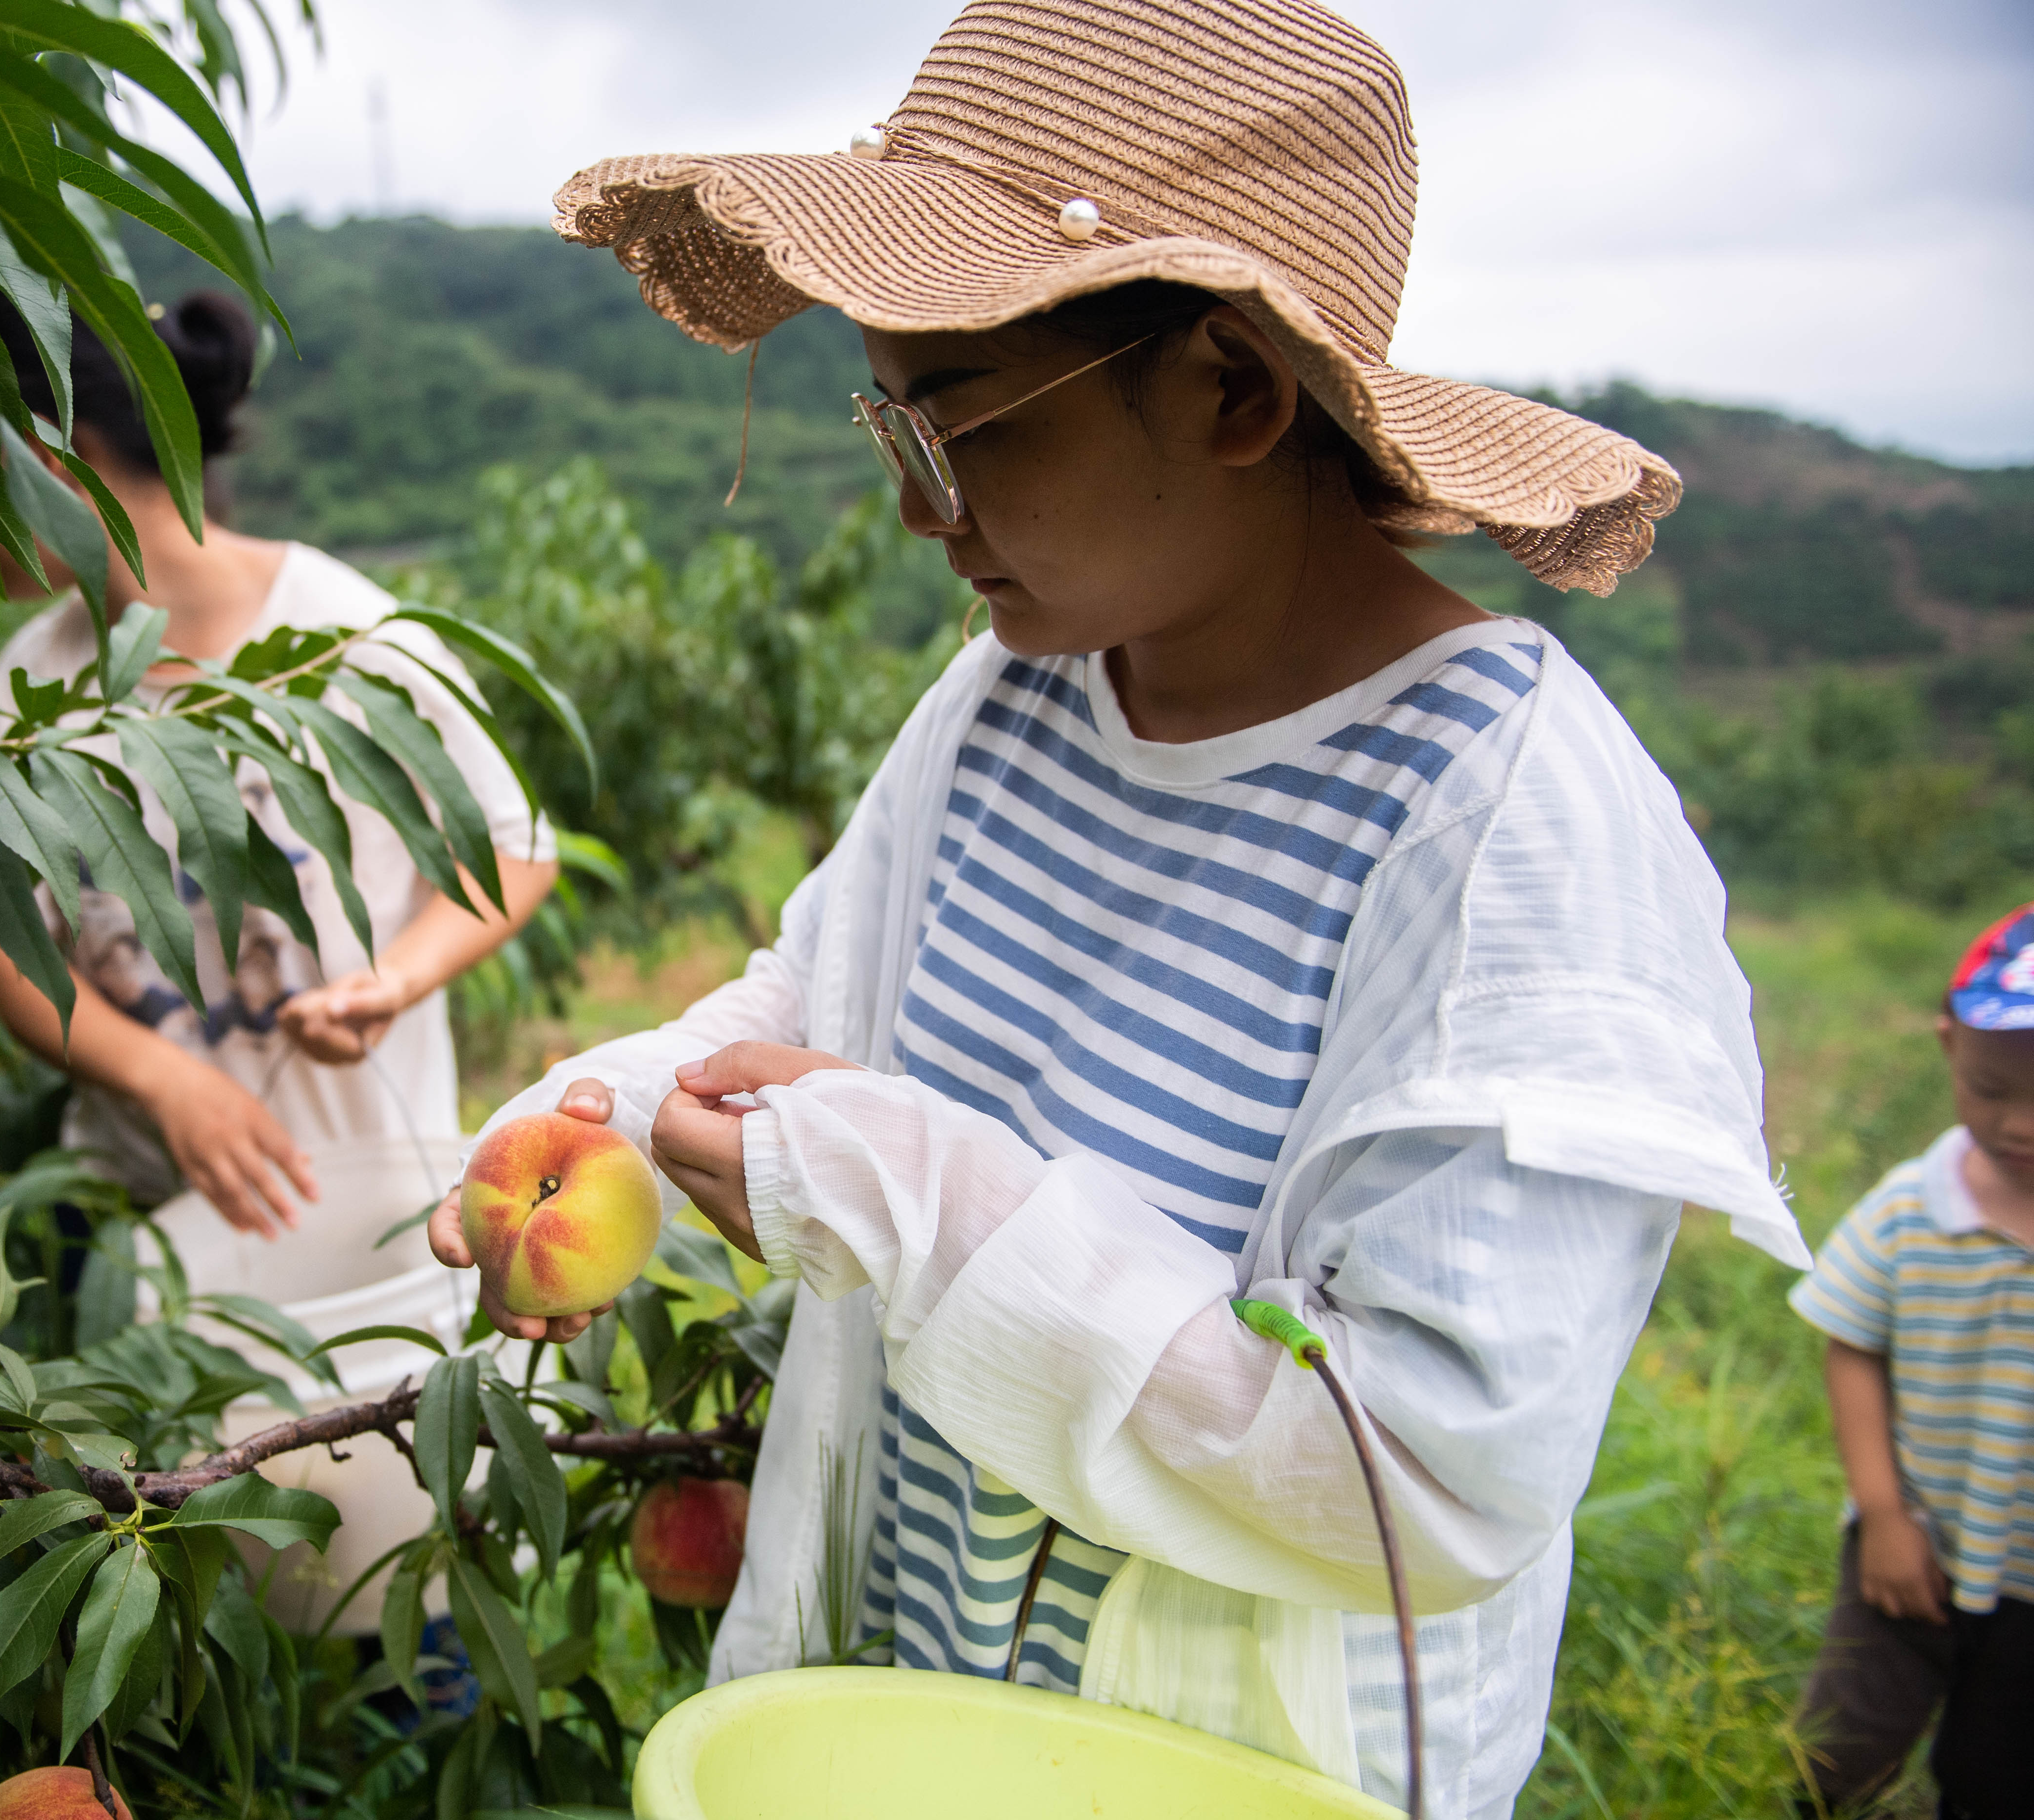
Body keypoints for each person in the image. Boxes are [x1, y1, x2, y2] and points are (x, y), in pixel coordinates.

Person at [425, 2, 1808, 1812]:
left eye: (961, 431)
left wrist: (916, 1197)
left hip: (1227, 1769)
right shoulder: (1019, 691)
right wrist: (597, 1112)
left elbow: (1427, 1486)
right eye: (891, 425)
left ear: (1232, 390)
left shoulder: (1497, 823)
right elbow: (819, 1001)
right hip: (921, 1711)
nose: (919, 513)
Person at [0, 286, 556, 1237]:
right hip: (136, 1218)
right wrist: (164, 1080)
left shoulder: (350, 637)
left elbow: (515, 846)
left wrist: (395, 979)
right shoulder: (33, 678)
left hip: (365, 1211)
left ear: (51, 460)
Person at [1787, 905, 2034, 1819]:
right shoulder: (1910, 1210)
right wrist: (1885, 1516)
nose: (2020, 1125)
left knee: (1996, 1775)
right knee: (1838, 1755)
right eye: (1991, 1089)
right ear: (1949, 1047)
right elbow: (1852, 1344)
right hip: (1911, 1549)